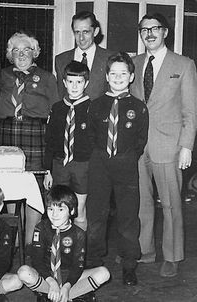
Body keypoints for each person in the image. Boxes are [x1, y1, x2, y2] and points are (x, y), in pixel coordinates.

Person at [130, 14, 197, 278]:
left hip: (169, 146)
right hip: (137, 147)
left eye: (155, 28)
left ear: (165, 32)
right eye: (144, 29)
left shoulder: (184, 64)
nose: (149, 33)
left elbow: (191, 112)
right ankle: (146, 250)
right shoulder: (133, 63)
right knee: (141, 201)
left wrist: (186, 147)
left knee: (170, 204)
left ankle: (172, 255)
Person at [86, 52, 148, 286]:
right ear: (107, 75)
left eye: (123, 73)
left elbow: (141, 139)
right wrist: (101, 154)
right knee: (96, 215)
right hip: (100, 163)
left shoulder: (138, 107)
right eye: (114, 73)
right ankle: (93, 262)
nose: (118, 77)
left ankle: (129, 264)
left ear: (131, 76)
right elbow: (91, 135)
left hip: (126, 163)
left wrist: (127, 156)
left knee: (128, 216)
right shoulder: (96, 105)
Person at [0, 31, 59, 246]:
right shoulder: (0, 75)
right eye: (16, 50)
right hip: (7, 134)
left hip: (36, 135)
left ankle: (31, 243)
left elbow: (56, 113)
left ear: (36, 52)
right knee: (10, 188)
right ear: (9, 55)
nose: (21, 54)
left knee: (34, 189)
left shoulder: (47, 78)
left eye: (26, 50)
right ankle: (13, 242)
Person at [17, 185, 110, 302]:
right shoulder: (41, 228)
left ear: (71, 211)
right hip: (47, 275)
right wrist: (52, 282)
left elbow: (78, 266)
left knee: (104, 273)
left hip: (71, 276)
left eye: (61, 210)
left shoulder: (78, 233)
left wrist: (66, 286)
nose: (54, 215)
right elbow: (37, 260)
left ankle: (59, 295)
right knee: (23, 272)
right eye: (51, 209)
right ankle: (70, 295)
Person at [44, 61, 92, 232]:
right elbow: (49, 141)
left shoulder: (92, 108)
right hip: (60, 164)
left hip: (82, 166)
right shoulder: (57, 108)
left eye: (79, 82)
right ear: (64, 82)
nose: (74, 86)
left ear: (86, 83)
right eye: (70, 82)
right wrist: (48, 170)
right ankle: (57, 251)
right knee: (58, 209)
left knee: (79, 210)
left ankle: (79, 252)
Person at [55, 11, 115, 102]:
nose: (81, 38)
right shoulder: (61, 60)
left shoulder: (110, 58)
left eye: (85, 32)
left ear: (96, 32)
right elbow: (60, 97)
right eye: (77, 32)